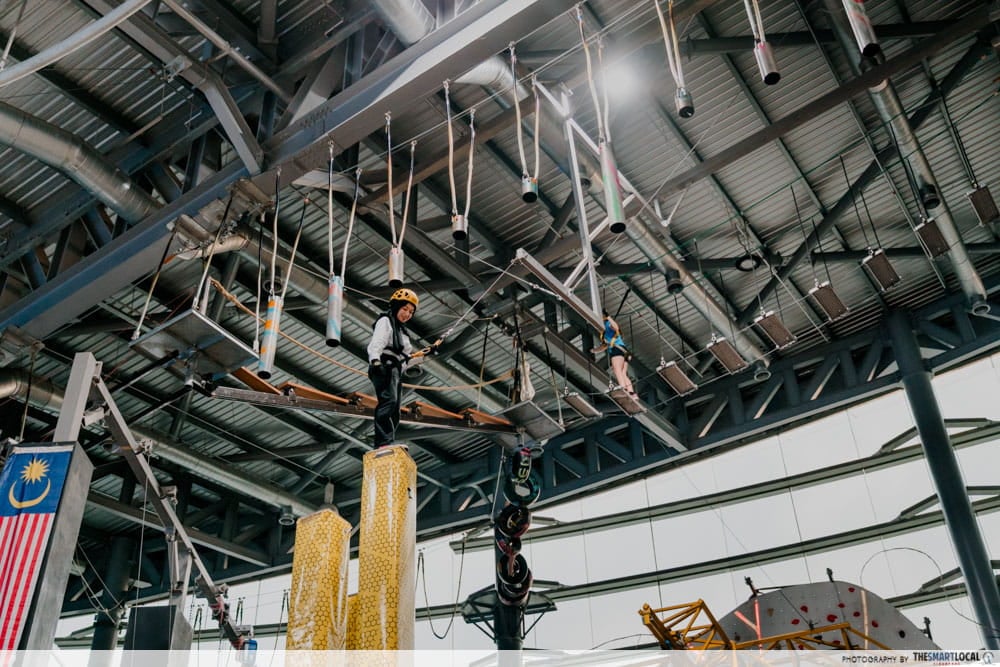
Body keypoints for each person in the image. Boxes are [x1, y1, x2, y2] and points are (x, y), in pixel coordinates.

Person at [367, 288, 418, 447]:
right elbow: (377, 343)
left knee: (395, 409)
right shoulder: (386, 321)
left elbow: (405, 359)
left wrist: (426, 354)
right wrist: (375, 361)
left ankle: (387, 440)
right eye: (404, 309)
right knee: (388, 402)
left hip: (395, 369)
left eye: (410, 312)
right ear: (396, 307)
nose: (407, 314)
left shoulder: (402, 332)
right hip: (384, 366)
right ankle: (383, 442)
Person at [592, 310, 636, 398]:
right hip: (623, 352)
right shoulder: (604, 333)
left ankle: (624, 390)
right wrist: (594, 351)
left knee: (617, 370)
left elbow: (616, 327)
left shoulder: (607, 324)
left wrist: (608, 317)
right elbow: (604, 346)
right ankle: (632, 393)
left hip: (617, 350)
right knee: (623, 373)